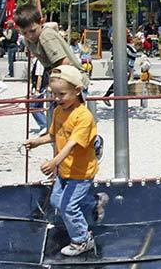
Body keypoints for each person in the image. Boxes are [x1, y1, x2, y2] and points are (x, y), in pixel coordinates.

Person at [23, 64, 106, 256]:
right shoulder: (60, 111)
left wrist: (53, 162)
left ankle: (82, 240)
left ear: (77, 91)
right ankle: (94, 204)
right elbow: (54, 135)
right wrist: (37, 141)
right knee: (56, 201)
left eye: (62, 94)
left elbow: (72, 145)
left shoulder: (83, 117)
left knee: (68, 208)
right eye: (54, 94)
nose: (57, 98)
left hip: (80, 172)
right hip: (64, 170)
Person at [14, 7, 88, 90]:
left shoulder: (46, 37)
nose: (30, 36)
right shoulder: (27, 40)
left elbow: (64, 63)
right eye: (24, 33)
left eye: (33, 31)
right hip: (58, 79)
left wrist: (54, 84)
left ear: (41, 22)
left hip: (74, 80)